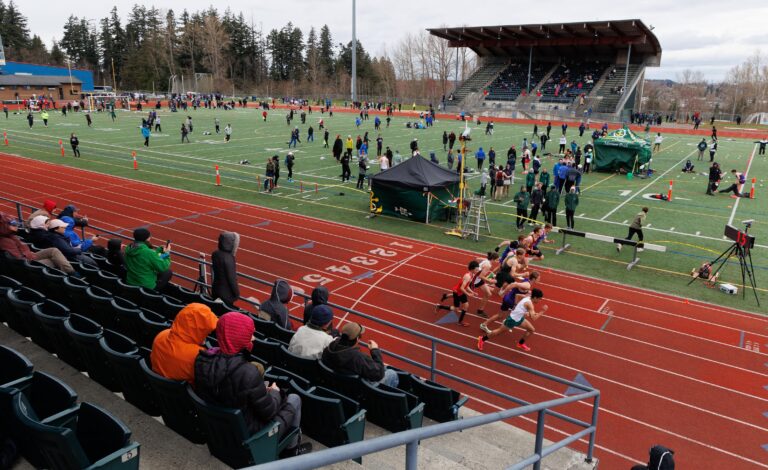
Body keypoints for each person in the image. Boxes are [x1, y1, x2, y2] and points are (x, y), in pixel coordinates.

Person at [195, 312, 312, 457]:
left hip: (221, 427)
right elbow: (270, 412)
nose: (254, 338)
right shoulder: (247, 372)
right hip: (251, 435)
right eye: (249, 334)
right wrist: (275, 392)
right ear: (239, 338)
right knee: (294, 399)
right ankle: (291, 451)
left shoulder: (202, 361)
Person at [150, 303, 218, 384]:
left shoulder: (161, 335)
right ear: (198, 330)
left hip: (158, 387)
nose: (208, 333)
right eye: (205, 330)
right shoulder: (198, 355)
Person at [321, 321, 399, 387]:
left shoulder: (329, 348)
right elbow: (379, 374)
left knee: (384, 367)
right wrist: (375, 350)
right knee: (392, 373)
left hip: (337, 383)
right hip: (358, 389)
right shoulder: (358, 358)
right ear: (357, 339)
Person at [477, 288, 547, 352]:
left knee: (531, 329)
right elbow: (534, 318)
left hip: (519, 319)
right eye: (539, 299)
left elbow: (517, 295)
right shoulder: (529, 304)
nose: (540, 301)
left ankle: (520, 343)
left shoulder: (528, 297)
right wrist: (542, 311)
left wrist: (516, 307)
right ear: (535, 297)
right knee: (498, 332)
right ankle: (482, 339)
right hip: (512, 320)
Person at [0, 213, 74, 274]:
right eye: (13, 224)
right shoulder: (6, 241)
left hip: (29, 256)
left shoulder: (10, 235)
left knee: (53, 250)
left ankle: (69, 272)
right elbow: (19, 260)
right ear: (5, 226)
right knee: (55, 261)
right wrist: (29, 255)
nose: (16, 225)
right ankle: (72, 274)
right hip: (29, 264)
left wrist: (29, 253)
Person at [480, 270, 539, 334]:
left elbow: (519, 289)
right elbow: (514, 284)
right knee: (524, 313)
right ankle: (508, 321)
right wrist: (503, 292)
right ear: (534, 279)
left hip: (507, 298)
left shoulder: (527, 280)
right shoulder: (527, 285)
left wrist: (527, 292)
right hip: (511, 301)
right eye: (538, 278)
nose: (539, 280)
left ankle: (484, 324)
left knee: (500, 315)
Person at [434, 260, 480, 327]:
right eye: (476, 269)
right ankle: (440, 307)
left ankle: (459, 321)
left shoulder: (471, 275)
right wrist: (468, 294)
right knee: (458, 308)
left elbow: (466, 286)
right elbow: (462, 288)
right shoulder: (468, 276)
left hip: (461, 291)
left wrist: (472, 292)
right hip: (457, 292)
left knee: (464, 306)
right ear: (472, 269)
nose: (478, 270)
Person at [211, 231, 240, 305]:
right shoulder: (229, 258)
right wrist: (237, 294)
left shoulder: (215, 254)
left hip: (215, 289)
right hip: (226, 295)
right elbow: (231, 279)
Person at [472, 252, 499, 318]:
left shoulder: (486, 260)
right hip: (474, 281)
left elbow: (477, 259)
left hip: (477, 279)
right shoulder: (488, 265)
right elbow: (481, 276)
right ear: (493, 259)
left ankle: (480, 311)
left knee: (488, 294)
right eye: (496, 260)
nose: (497, 261)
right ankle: (450, 295)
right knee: (462, 293)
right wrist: (491, 281)